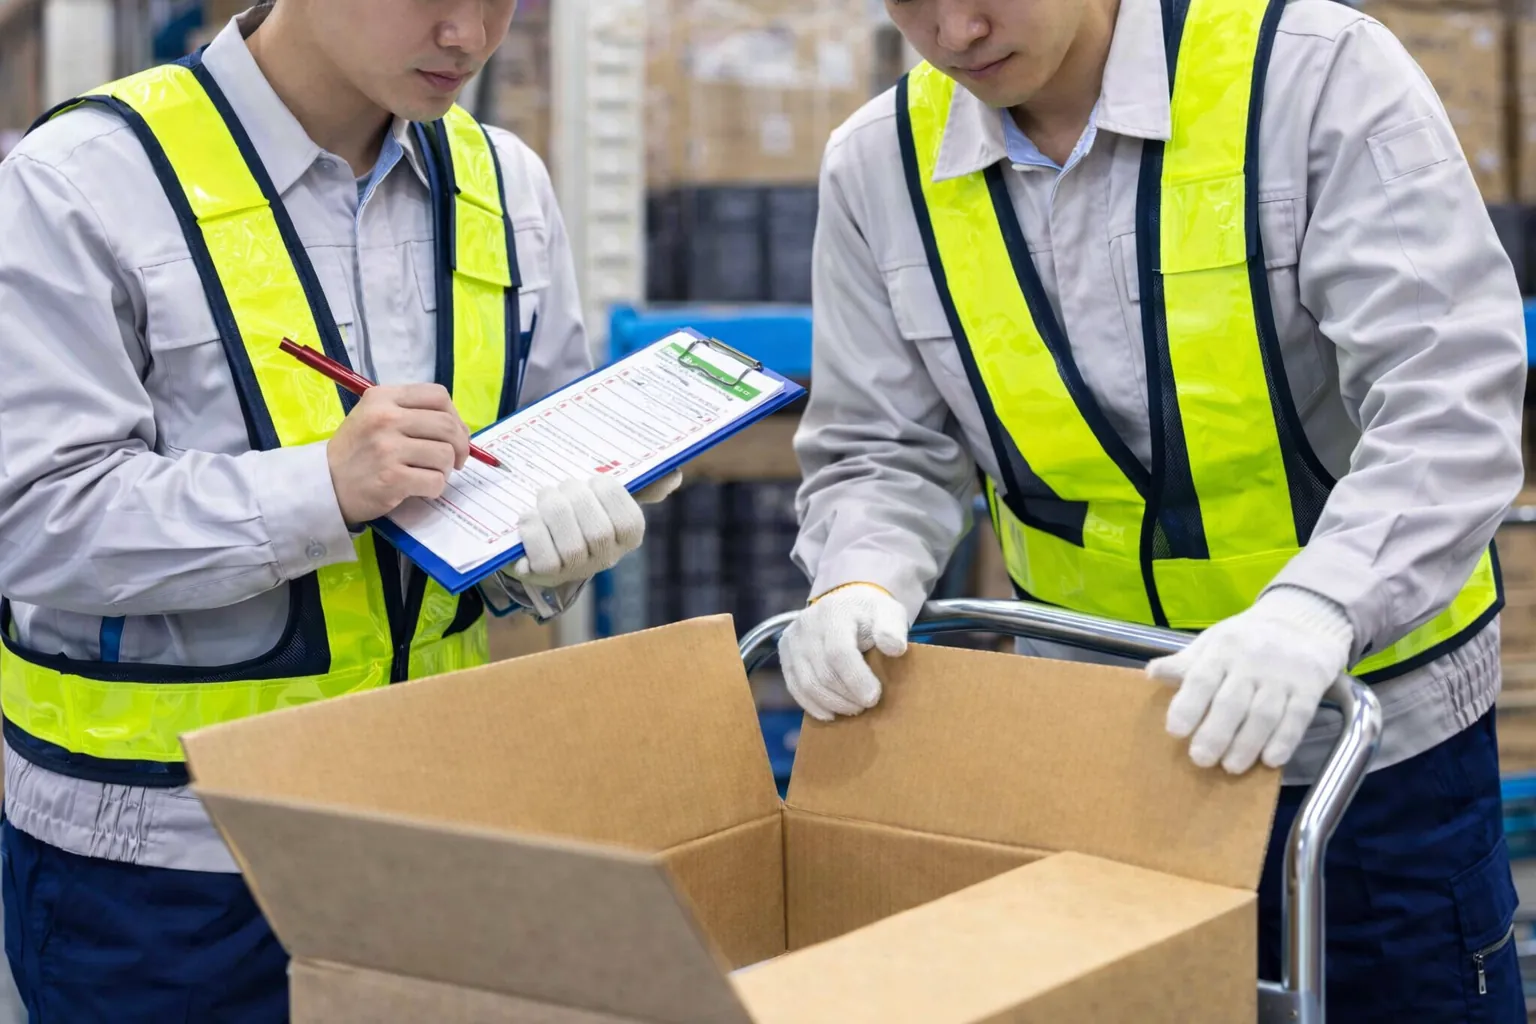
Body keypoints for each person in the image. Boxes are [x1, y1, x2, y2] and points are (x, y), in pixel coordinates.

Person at [779, 0, 1528, 1018]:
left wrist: (1319, 607)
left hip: (1369, 751)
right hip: (1099, 764)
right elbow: (882, 449)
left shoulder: (1310, 76)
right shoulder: (880, 165)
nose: (954, 30)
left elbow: (1449, 397)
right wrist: (859, 572)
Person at [0, 0, 678, 1018]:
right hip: (164, 868)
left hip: (425, 836)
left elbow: (516, 471)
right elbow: (32, 515)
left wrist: (547, 550)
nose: (470, 36)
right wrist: (319, 488)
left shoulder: (507, 187)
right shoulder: (83, 181)